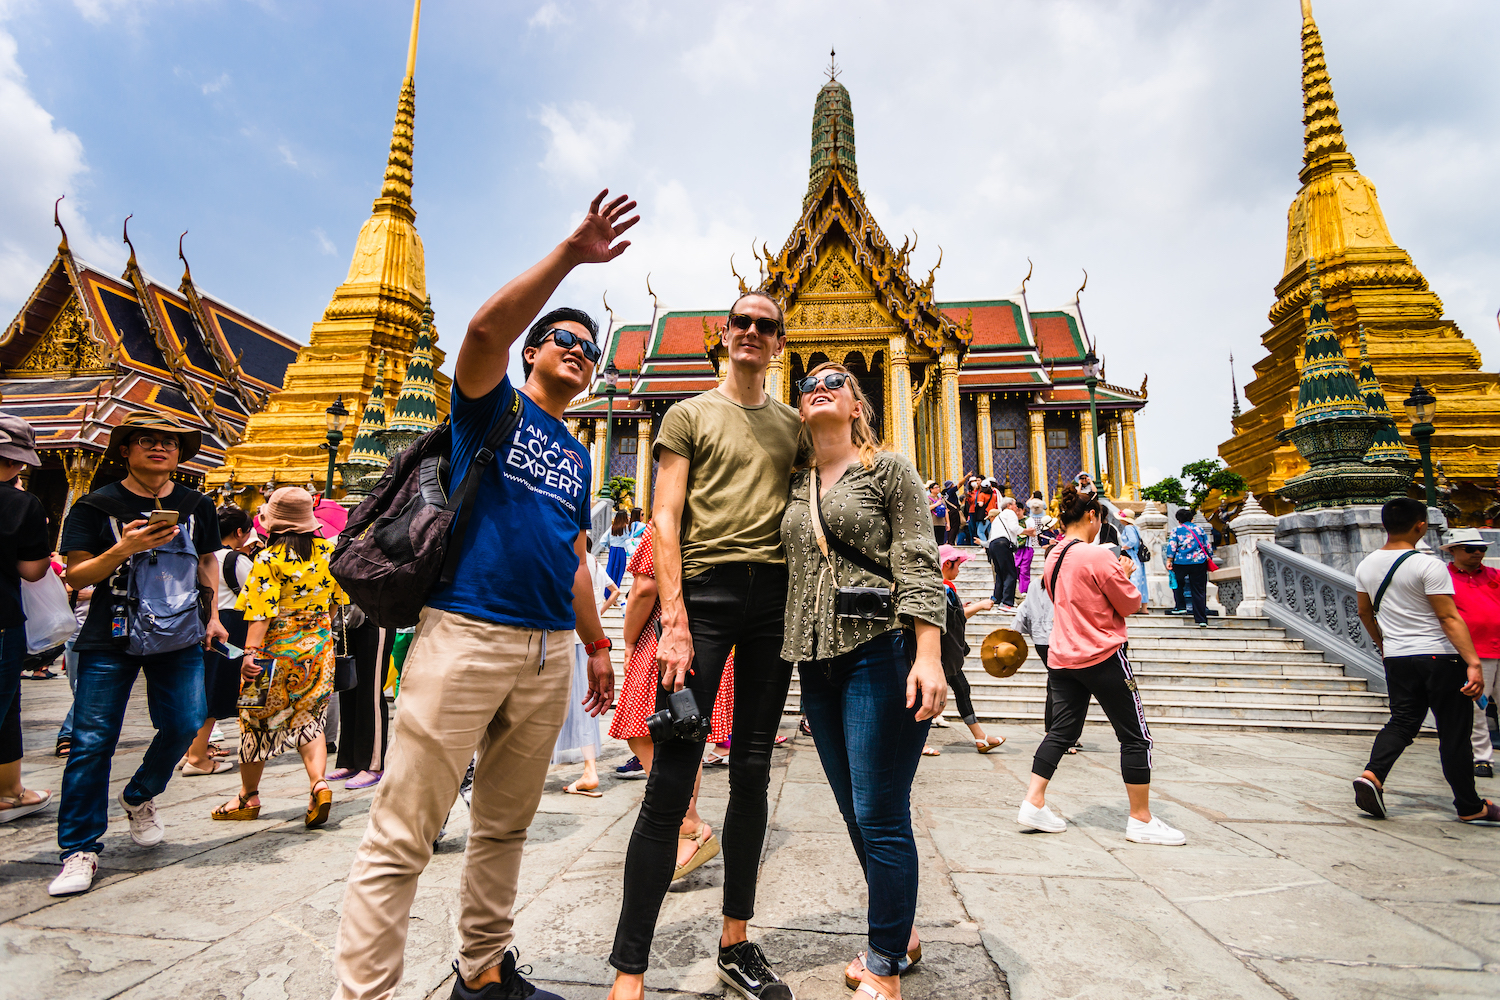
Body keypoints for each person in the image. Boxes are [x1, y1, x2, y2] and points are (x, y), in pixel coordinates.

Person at [333, 189, 633, 1000]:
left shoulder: (574, 456)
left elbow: (571, 558)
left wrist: (596, 645)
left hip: (546, 651)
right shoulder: (487, 409)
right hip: (465, 632)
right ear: (533, 352)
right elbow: (480, 332)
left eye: (588, 349)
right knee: (403, 833)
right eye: (562, 341)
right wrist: (571, 255)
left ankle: (485, 970)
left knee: (504, 826)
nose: (577, 351)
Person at [606, 288, 800, 1000]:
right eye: (741, 322)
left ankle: (735, 942)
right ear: (725, 335)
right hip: (706, 603)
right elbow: (665, 514)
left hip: (773, 605)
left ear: (779, 344)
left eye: (766, 325)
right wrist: (676, 621)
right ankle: (630, 969)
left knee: (750, 777)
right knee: (670, 782)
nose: (752, 332)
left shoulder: (791, 426)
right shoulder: (688, 414)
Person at [779, 361, 946, 1000]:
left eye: (836, 381)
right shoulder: (792, 484)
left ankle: (882, 966)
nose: (820, 386)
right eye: (809, 383)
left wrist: (927, 655)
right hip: (815, 660)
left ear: (858, 406)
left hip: (881, 649)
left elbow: (918, 559)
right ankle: (899, 932)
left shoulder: (890, 471)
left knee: (879, 811)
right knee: (854, 809)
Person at [49, 411, 227, 896]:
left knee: (187, 722)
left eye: (169, 442)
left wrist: (211, 614)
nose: (159, 448)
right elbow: (77, 576)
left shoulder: (195, 505)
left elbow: (208, 559)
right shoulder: (96, 505)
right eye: (146, 441)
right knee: (91, 741)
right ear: (125, 450)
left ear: (179, 453)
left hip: (180, 633)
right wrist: (124, 548)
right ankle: (79, 848)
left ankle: (140, 793)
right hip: (112, 634)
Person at [1018, 482, 1185, 847]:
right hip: (1101, 655)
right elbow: (1130, 604)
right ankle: (1141, 818)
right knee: (1135, 736)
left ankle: (1033, 801)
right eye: (1100, 519)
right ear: (1092, 516)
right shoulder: (1097, 556)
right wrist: (1124, 574)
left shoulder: (1054, 555)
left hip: (1063, 656)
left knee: (1060, 732)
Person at [1352, 499, 1496, 823]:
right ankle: (1470, 805)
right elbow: (1448, 617)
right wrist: (1473, 662)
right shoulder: (1428, 565)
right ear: (1420, 525)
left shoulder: (1366, 565)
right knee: (1454, 732)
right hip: (1440, 657)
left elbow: (1364, 612)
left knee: (1402, 722)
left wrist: (1384, 644)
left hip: (1399, 657)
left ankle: (1372, 775)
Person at [211, 487, 348, 826]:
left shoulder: (269, 559)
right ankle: (318, 783)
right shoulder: (329, 553)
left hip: (274, 652)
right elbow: (335, 603)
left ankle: (248, 795)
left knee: (255, 720)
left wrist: (250, 654)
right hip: (318, 649)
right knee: (309, 718)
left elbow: (261, 614)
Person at [608, 519, 731, 878]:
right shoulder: (719, 521)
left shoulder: (666, 523)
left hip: (665, 637)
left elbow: (645, 588)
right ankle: (684, 831)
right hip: (710, 639)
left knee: (642, 730)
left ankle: (688, 823)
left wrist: (630, 640)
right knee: (683, 738)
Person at [0, 413, 54, 823]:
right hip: (1, 620)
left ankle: (10, 791)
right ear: (17, 462)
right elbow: (33, 571)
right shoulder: (21, 504)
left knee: (9, 704)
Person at [180, 504, 256, 776]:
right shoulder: (236, 560)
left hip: (200, 622)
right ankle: (198, 758)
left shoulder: (202, 556)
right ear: (239, 532)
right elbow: (256, 594)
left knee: (199, 689)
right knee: (214, 691)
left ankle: (189, 749)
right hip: (228, 625)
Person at [552, 536, 620, 796]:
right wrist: (596, 615)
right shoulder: (592, 562)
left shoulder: (570, 560)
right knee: (585, 703)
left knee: (558, 701)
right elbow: (615, 590)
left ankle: (589, 770)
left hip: (567, 634)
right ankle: (589, 767)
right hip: (588, 638)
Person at [1441, 528, 1499, 778]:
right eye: (1471, 549)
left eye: (1482, 549)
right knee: (1476, 708)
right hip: (1473, 653)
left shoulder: (1495, 575)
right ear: (1453, 550)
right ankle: (1482, 757)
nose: (1477, 553)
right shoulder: (1443, 578)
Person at [935, 545, 1004, 754]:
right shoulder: (942, 588)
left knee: (961, 689)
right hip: (941, 653)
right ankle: (918, 743)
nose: (960, 570)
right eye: (959, 565)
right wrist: (980, 605)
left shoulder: (945, 588)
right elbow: (957, 618)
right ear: (947, 564)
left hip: (946, 653)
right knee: (940, 695)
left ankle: (980, 738)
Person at [326, 606, 392, 790]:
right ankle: (350, 760)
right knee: (348, 688)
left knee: (371, 690)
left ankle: (373, 765)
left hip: (377, 613)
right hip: (347, 613)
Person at [1163, 509, 1211, 627]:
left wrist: (1169, 560)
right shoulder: (1199, 530)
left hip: (1181, 562)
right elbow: (1207, 546)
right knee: (1199, 590)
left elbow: (1172, 546)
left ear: (1178, 520)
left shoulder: (1176, 530)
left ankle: (1181, 606)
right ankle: (1201, 619)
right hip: (1199, 561)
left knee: (1178, 583)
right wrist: (1209, 557)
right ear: (1192, 519)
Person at [986, 497, 1021, 612]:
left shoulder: (998, 517)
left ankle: (997, 599)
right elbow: (1014, 528)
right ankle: (1006, 603)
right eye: (1015, 505)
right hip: (1002, 544)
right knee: (1010, 573)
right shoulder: (1009, 513)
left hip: (993, 545)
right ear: (1010, 505)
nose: (1016, 508)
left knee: (1000, 573)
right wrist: (1027, 531)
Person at [1118, 508, 1148, 614]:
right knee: (1141, 581)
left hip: (1132, 556)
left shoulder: (1128, 528)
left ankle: (1134, 606)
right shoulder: (1134, 527)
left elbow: (1133, 541)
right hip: (1138, 557)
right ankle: (1143, 607)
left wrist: (1123, 547)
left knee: (1134, 580)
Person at [606, 509, 630, 586]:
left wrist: (609, 546)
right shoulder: (626, 527)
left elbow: (602, 541)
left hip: (612, 550)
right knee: (620, 571)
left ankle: (607, 592)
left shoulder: (612, 527)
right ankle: (616, 589)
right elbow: (630, 538)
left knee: (610, 570)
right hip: (621, 550)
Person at [926, 481, 948, 548]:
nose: (938, 489)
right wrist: (936, 505)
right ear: (931, 489)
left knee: (940, 541)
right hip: (932, 522)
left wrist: (947, 522)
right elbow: (926, 508)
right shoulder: (928, 498)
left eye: (938, 487)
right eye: (936, 487)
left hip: (941, 522)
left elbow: (946, 510)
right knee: (933, 540)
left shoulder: (941, 499)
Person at [942, 480, 961, 545]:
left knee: (950, 526)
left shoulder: (945, 493)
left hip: (949, 511)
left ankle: (949, 541)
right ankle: (951, 541)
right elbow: (959, 485)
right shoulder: (950, 491)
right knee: (955, 526)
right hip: (954, 511)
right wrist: (966, 476)